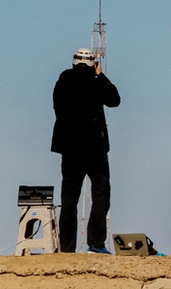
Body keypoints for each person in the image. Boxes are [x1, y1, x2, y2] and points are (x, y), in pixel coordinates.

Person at [51, 47, 121, 254]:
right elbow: (114, 100)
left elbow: (58, 109)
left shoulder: (62, 81)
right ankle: (96, 243)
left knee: (69, 199)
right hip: (94, 148)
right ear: (92, 63)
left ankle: (67, 247)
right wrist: (101, 76)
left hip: (70, 148)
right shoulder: (95, 81)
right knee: (101, 194)